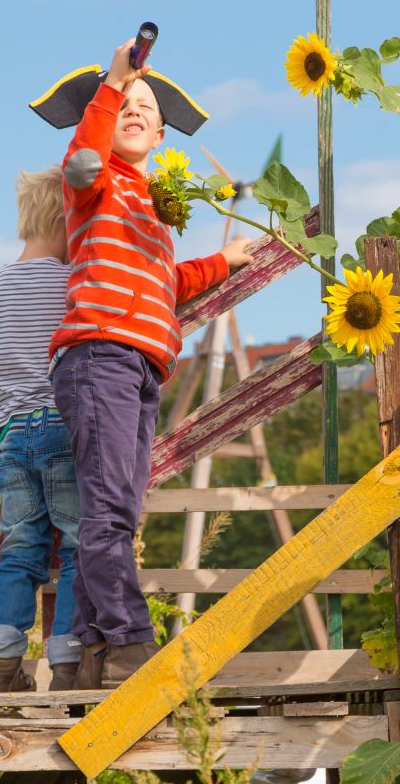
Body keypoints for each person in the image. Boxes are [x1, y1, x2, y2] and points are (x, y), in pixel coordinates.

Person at [44, 37, 253, 687]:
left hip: (142, 365)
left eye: (145, 109)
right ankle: (132, 644)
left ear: (162, 134)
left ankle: (91, 652)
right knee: (107, 509)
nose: (134, 111)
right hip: (99, 353)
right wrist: (113, 82)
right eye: (125, 106)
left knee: (120, 513)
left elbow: (167, 279)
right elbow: (79, 160)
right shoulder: (96, 181)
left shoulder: (154, 209)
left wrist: (224, 263)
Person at [0, 167, 83, 707]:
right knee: (78, 546)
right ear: (68, 222)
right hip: (62, 426)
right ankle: (68, 665)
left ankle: (1, 665)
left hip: (11, 435)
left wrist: (9, 366)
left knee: (20, 550)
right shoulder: (72, 281)